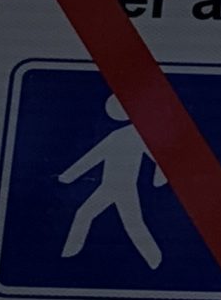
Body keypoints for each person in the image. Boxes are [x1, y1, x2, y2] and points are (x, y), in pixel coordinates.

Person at [59, 95, 169, 269]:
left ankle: (155, 260)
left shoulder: (136, 136)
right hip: (107, 187)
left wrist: (160, 178)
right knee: (84, 214)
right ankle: (68, 254)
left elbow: (159, 159)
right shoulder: (116, 135)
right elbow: (93, 157)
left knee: (132, 223)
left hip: (125, 189)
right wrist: (68, 176)